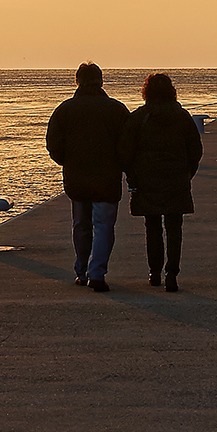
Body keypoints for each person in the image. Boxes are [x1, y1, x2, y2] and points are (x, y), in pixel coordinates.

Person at [46, 63, 133, 291]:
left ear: (77, 81)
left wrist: (67, 161)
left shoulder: (65, 110)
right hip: (107, 178)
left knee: (81, 225)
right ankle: (97, 273)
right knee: (104, 226)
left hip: (77, 178)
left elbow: (53, 144)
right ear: (101, 81)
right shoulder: (116, 109)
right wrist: (122, 165)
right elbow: (128, 144)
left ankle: (81, 270)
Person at [119, 72, 202, 291]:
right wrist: (187, 173)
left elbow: (125, 152)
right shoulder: (182, 117)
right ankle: (172, 273)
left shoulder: (138, 118)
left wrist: (133, 176)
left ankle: (154, 272)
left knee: (152, 226)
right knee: (174, 228)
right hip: (176, 179)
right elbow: (195, 150)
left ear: (146, 93)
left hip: (147, 180)